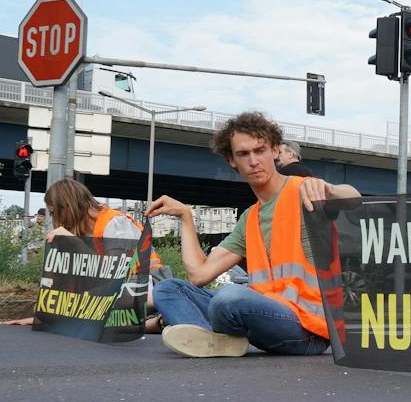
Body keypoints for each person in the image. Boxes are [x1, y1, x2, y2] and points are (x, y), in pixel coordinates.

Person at [147, 112, 359, 358]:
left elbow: (354, 201)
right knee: (169, 289)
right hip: (263, 313)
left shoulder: (304, 191)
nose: (254, 161)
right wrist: (185, 216)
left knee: (229, 297)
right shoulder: (249, 218)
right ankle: (213, 340)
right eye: (243, 154)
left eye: (260, 150)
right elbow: (199, 275)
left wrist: (330, 189)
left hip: (309, 328)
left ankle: (213, 335)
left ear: (276, 152)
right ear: (232, 160)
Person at [7, 178, 164, 328]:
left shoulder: (114, 223)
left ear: (68, 207)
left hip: (148, 281)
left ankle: (155, 309)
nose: (55, 220)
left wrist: (74, 242)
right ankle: (153, 322)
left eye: (54, 213)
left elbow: (113, 271)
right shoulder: (84, 232)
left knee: (90, 308)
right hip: (118, 290)